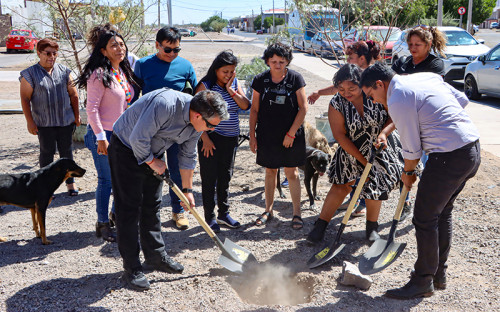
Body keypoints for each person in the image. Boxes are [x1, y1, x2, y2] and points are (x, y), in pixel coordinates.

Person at [360, 63, 480, 299]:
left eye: (371, 95)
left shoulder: (398, 99)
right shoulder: (424, 78)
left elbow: (412, 148)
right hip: (471, 148)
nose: (373, 101)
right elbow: (462, 100)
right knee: (441, 213)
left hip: (449, 157)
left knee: (424, 218)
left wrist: (408, 173)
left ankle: (423, 280)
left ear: (380, 84)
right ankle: (438, 275)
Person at [108, 89, 229, 291]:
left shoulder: (198, 124)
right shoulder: (165, 105)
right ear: (198, 115)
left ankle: (155, 256)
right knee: (129, 209)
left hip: (153, 152)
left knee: (152, 205)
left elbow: (187, 156)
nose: (212, 130)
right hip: (126, 148)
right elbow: (138, 138)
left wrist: (187, 190)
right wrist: (150, 162)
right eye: (211, 125)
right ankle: (132, 268)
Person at [307, 64, 404, 244]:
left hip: (380, 144)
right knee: (341, 185)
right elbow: (339, 135)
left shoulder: (375, 94)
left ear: (362, 84)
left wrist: (384, 133)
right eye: (341, 89)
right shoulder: (336, 103)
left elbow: (395, 116)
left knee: (375, 186)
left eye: (352, 88)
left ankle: (371, 228)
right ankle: (320, 225)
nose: (346, 93)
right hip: (351, 146)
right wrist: (362, 160)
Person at [76, 30, 140, 242]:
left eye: (121, 44)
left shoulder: (121, 70)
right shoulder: (98, 74)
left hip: (121, 134)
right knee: (107, 180)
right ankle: (102, 222)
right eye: (114, 45)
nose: (119, 49)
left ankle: (115, 216)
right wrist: (101, 137)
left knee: (121, 179)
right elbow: (91, 109)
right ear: (103, 51)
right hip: (102, 134)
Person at [306, 40, 383, 217]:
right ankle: (353, 200)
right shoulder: (346, 85)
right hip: (352, 142)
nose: (348, 60)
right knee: (348, 178)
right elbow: (338, 89)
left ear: (362, 59)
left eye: (351, 57)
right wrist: (319, 93)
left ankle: (363, 205)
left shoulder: (370, 81)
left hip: (375, 143)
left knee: (373, 180)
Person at [133, 27, 197, 230]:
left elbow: (195, 97)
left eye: (176, 50)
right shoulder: (143, 65)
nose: (172, 54)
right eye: (167, 50)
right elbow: (133, 96)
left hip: (179, 129)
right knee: (149, 170)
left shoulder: (186, 65)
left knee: (177, 169)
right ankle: (147, 214)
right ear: (157, 45)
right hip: (152, 129)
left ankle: (178, 211)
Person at [391, 25, 447, 221]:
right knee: (404, 164)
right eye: (410, 44)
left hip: (428, 124)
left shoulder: (435, 64)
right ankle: (404, 204)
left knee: (425, 169)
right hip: (406, 122)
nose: (413, 48)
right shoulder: (403, 63)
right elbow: (394, 84)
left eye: (418, 44)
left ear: (429, 44)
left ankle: (430, 208)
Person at [249, 42, 308, 229]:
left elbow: (304, 107)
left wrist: (291, 134)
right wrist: (252, 135)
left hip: (292, 133)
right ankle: (268, 210)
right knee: (270, 171)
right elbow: (254, 109)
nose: (277, 65)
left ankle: (296, 213)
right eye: (273, 61)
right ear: (267, 61)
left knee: (292, 172)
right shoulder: (260, 80)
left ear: (287, 62)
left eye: (281, 61)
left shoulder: (296, 79)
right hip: (267, 133)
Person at [195, 51, 250, 233]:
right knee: (209, 178)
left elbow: (245, 105)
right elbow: (195, 114)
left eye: (231, 71)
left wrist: (231, 90)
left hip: (230, 138)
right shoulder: (206, 85)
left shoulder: (233, 83)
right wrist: (205, 138)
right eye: (225, 71)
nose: (228, 75)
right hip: (210, 139)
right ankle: (209, 217)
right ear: (216, 69)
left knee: (225, 177)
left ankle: (223, 214)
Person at [20, 38, 80, 196]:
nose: (51, 57)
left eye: (54, 53)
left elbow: (73, 95)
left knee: (66, 152)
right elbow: (25, 99)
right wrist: (30, 122)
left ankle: (71, 183)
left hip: (65, 121)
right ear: (39, 53)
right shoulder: (29, 74)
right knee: (47, 153)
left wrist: (77, 116)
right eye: (47, 53)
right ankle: (45, 186)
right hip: (44, 123)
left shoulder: (65, 71)